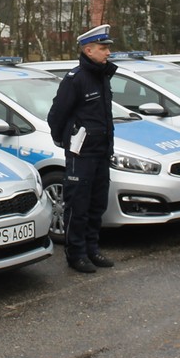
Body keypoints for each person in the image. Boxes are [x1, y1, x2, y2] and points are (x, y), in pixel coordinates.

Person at [47, 24, 118, 274]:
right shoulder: (75, 79)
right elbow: (56, 115)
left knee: (97, 204)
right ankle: (75, 254)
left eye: (108, 47)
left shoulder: (102, 76)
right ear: (88, 50)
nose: (108, 52)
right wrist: (65, 140)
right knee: (78, 205)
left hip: (101, 152)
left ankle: (91, 249)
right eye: (103, 48)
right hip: (82, 154)